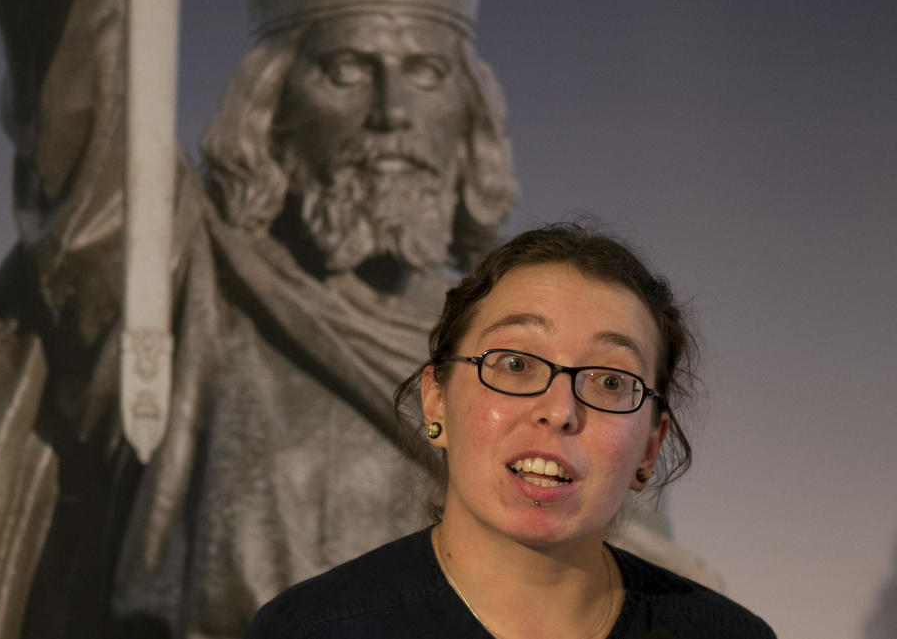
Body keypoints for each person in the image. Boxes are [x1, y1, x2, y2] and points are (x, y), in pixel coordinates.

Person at [0, 0, 516, 638]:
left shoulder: (537, 360)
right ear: (273, 99)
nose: (391, 114)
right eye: (346, 69)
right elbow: (60, 44)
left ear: (470, 106)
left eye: (424, 73)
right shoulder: (168, 269)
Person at [245, 224, 778, 638]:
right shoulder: (317, 634)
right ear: (437, 399)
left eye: (610, 379)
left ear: (650, 445)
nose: (559, 410)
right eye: (517, 364)